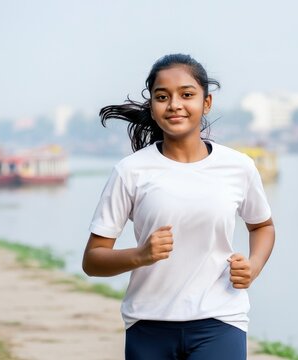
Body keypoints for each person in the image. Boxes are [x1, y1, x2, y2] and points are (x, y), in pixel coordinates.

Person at [83, 53, 275, 360]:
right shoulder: (130, 171)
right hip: (148, 324)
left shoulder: (238, 166)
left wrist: (254, 266)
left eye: (187, 94)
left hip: (220, 320)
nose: (174, 104)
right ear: (153, 107)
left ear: (206, 103)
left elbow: (262, 225)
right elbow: (92, 261)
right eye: (162, 97)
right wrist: (139, 255)